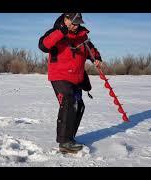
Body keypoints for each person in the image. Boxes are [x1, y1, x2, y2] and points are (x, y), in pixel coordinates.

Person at [38, 13, 103, 153]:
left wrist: (96, 58)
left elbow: (90, 50)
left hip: (77, 78)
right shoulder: (55, 32)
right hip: (59, 76)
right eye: (72, 22)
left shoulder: (82, 35)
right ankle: (64, 142)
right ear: (65, 19)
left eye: (77, 22)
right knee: (69, 101)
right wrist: (61, 32)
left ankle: (69, 137)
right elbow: (43, 46)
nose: (75, 25)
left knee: (79, 105)